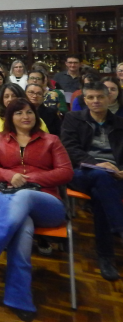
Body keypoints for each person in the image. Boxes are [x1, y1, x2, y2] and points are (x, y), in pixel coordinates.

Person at [0, 98, 73, 321]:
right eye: (19, 113)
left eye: (29, 112)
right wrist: (9, 175)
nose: (25, 116)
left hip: (47, 202)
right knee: (23, 226)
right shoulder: (0, 139)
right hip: (8, 198)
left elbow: (66, 172)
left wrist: (31, 179)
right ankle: (19, 298)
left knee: (25, 194)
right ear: (10, 117)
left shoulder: (51, 140)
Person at [61, 81, 123, 281]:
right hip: (82, 172)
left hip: (114, 177)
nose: (96, 101)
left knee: (100, 195)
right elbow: (70, 149)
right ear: (85, 100)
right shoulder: (73, 119)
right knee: (101, 176)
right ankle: (119, 227)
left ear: (108, 98)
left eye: (100, 97)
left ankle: (106, 257)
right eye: (91, 97)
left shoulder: (120, 123)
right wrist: (97, 164)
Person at [0, 83, 27, 151]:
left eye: (14, 96)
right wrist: (4, 152)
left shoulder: (30, 118)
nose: (10, 99)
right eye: (6, 96)